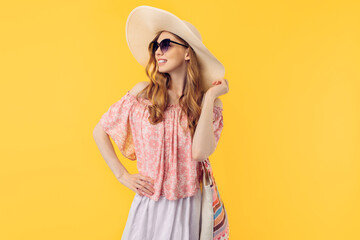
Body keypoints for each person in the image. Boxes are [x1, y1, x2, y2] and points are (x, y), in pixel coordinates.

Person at [93, 5, 229, 240]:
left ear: (188, 53)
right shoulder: (142, 95)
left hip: (188, 207)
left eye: (166, 44)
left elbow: (199, 153)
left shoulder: (207, 104)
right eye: (155, 46)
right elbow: (99, 131)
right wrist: (122, 175)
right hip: (149, 206)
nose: (158, 51)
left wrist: (209, 98)